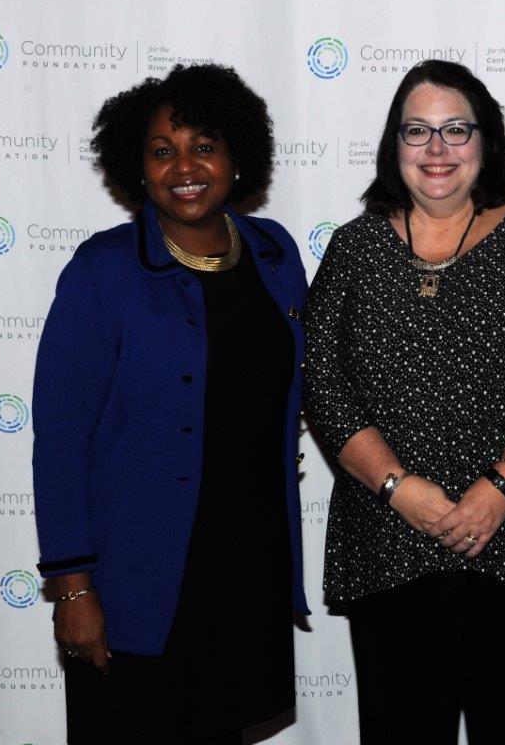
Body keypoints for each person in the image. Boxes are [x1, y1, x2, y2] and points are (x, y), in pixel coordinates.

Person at [303, 59, 505, 745]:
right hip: (392, 545)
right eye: (417, 131)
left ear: (486, 142)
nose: (436, 150)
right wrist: (397, 487)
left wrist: (499, 488)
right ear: (393, 146)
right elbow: (321, 379)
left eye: (455, 130)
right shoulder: (353, 249)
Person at [32, 64, 308, 745]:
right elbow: (62, 438)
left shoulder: (275, 254)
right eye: (162, 150)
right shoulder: (103, 271)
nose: (183, 166)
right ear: (138, 166)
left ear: (237, 157)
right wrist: (72, 588)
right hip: (135, 579)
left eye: (204, 145)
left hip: (246, 568)